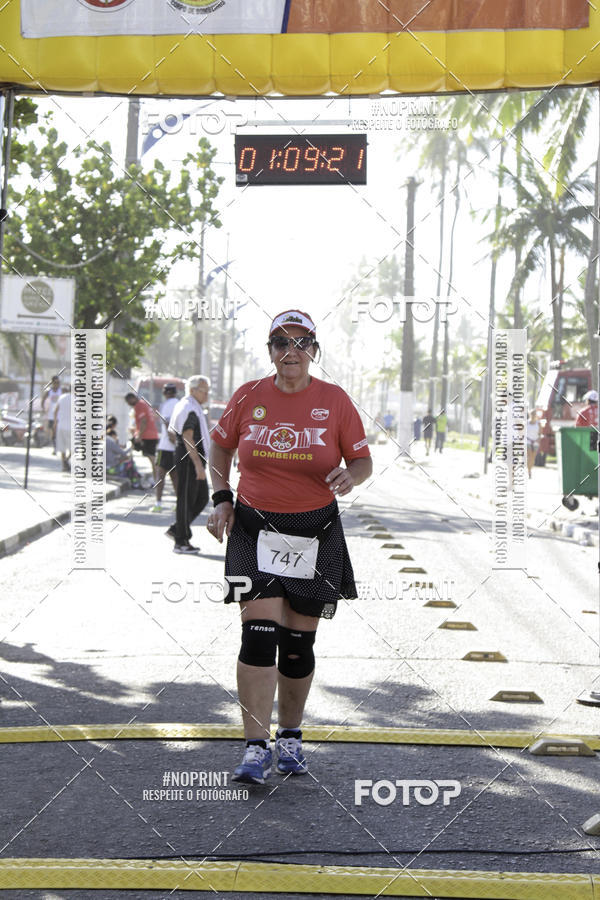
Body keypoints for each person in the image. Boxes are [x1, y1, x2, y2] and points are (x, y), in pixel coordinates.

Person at [207, 309, 373, 785]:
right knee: (257, 636)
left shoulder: (334, 400)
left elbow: (362, 460)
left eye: (301, 343)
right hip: (254, 525)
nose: (290, 352)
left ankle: (291, 736)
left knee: (298, 644)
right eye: (280, 343)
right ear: (270, 352)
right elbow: (220, 447)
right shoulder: (249, 396)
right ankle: (255, 747)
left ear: (314, 351)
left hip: (314, 530)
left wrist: (350, 475)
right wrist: (221, 498)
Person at [165, 376, 211, 554]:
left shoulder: (192, 406)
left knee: (201, 498)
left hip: (191, 458)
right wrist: (198, 465)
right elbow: (187, 438)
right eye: (204, 391)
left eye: (208, 391)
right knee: (186, 499)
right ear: (192, 390)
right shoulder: (189, 407)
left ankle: (178, 529)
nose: (207, 395)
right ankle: (181, 541)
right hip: (188, 458)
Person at [152, 383, 179, 513]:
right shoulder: (179, 403)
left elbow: (168, 422)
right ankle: (179, 503)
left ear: (164, 393)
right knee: (175, 476)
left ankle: (158, 503)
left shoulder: (167, 404)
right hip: (176, 447)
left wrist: (171, 439)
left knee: (160, 475)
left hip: (166, 446)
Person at [125, 392, 159, 481]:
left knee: (152, 458)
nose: (128, 404)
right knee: (150, 457)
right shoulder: (143, 404)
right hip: (151, 434)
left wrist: (139, 436)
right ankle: (156, 478)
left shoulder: (139, 405)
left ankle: (157, 479)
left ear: (132, 398)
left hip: (147, 436)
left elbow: (144, 421)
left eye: (128, 401)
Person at [54, 385, 71, 472]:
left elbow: (55, 411)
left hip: (61, 426)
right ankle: (66, 461)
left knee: (62, 447)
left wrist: (55, 423)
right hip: (72, 427)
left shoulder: (62, 397)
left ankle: (64, 465)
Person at [43, 375, 61, 455]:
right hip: (51, 416)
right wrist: (44, 409)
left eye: (58, 382)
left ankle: (57, 447)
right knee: (53, 432)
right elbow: (42, 401)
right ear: (52, 383)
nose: (57, 384)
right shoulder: (49, 392)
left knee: (57, 432)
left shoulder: (61, 391)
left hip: (60, 416)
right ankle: (55, 447)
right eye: (55, 382)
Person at [526, 409, 540, 478]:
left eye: (534, 414)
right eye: (532, 414)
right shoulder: (526, 423)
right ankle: (529, 471)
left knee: (533, 458)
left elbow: (540, 433)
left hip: (535, 442)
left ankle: (529, 469)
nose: (533, 415)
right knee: (529, 456)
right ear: (530, 415)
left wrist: (538, 440)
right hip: (528, 441)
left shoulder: (538, 423)